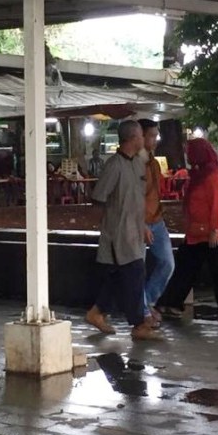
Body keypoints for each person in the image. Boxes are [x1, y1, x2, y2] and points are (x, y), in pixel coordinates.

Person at [85, 120, 159, 341]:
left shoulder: (137, 164)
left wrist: (143, 225)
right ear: (132, 139)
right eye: (140, 136)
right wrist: (106, 227)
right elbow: (98, 199)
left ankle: (97, 312)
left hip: (134, 232)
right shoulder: (114, 166)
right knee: (134, 275)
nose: (143, 140)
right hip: (118, 236)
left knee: (118, 278)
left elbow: (136, 200)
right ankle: (138, 323)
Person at [159, 138, 218, 322]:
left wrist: (214, 229)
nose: (188, 155)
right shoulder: (197, 176)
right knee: (186, 268)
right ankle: (170, 303)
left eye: (190, 152)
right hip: (197, 233)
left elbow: (216, 205)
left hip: (215, 234)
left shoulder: (213, 176)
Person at [138, 119, 175, 327]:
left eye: (156, 135)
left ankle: (148, 301)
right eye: (151, 135)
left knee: (168, 263)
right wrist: (141, 223)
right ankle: (143, 311)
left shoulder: (152, 161)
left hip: (157, 220)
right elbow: (134, 196)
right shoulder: (136, 163)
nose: (155, 140)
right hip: (141, 221)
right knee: (138, 269)